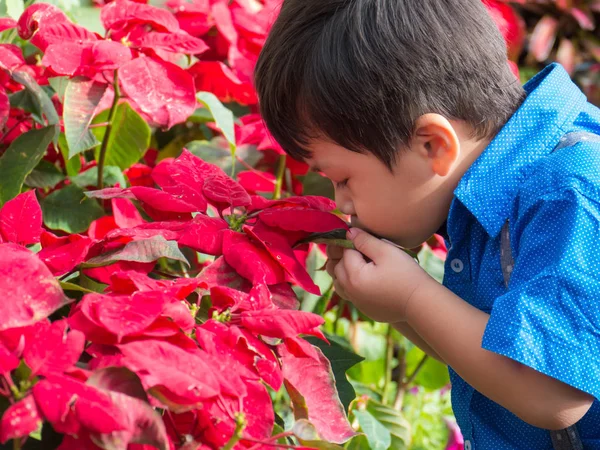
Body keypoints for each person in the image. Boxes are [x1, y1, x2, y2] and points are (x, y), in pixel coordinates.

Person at [254, 0, 600, 448]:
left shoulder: (569, 190)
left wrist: (414, 298)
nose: (340, 202)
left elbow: (553, 394)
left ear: (434, 145)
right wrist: (399, 306)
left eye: (342, 179)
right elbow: (489, 362)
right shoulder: (491, 177)